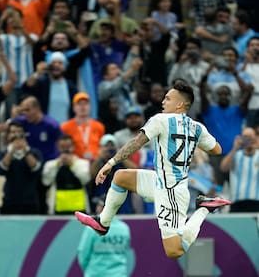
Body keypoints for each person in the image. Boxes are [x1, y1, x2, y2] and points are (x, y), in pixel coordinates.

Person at [75, 79, 232, 259]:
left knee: (174, 251)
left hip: (171, 192)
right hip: (159, 181)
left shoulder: (160, 119)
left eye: (168, 99)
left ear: (180, 104)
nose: (163, 102)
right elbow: (216, 149)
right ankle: (103, 223)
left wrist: (110, 162)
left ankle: (203, 208)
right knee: (121, 177)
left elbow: (136, 143)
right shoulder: (197, 127)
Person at [42, 134, 90, 215]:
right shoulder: (50, 164)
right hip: (57, 209)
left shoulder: (82, 163)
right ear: (57, 147)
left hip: (80, 208)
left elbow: (85, 180)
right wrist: (57, 165)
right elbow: (46, 181)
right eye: (62, 147)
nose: (65, 149)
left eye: (68, 146)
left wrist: (72, 165)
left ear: (73, 146)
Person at [77, 209, 131, 277]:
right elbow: (125, 252)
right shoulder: (124, 228)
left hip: (96, 274)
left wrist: (89, 271)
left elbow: (83, 253)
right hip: (119, 274)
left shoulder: (91, 228)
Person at [220, 127, 259, 212]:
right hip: (237, 203)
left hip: (256, 202)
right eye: (246, 137)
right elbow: (223, 168)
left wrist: (256, 146)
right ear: (241, 138)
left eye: (251, 137)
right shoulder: (236, 155)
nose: (248, 140)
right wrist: (234, 148)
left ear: (255, 138)